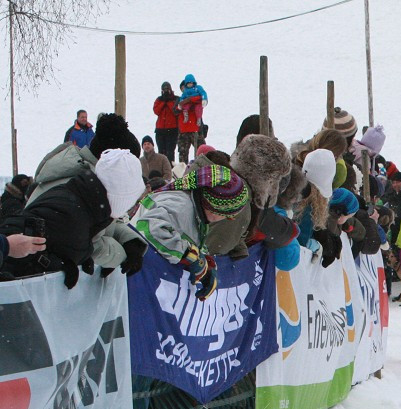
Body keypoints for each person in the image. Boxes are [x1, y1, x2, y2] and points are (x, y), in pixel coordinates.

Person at [1, 148, 146, 287]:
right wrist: (56, 264)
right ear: (119, 201)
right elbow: (90, 244)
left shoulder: (80, 194)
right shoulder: (78, 217)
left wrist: (130, 242)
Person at [131, 165, 251, 300]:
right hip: (133, 285)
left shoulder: (196, 210)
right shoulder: (182, 206)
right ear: (213, 207)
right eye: (227, 215)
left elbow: (185, 234)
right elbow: (148, 228)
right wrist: (190, 256)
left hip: (144, 284)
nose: (229, 219)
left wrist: (205, 261)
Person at [153, 82, 179, 162]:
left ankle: (170, 169)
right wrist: (164, 102)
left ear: (171, 89)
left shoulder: (176, 99)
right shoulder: (159, 99)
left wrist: (169, 102)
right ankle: (161, 170)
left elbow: (176, 111)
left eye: (167, 89)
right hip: (160, 130)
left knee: (170, 152)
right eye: (164, 89)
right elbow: (156, 111)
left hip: (172, 130)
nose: (166, 91)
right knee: (161, 152)